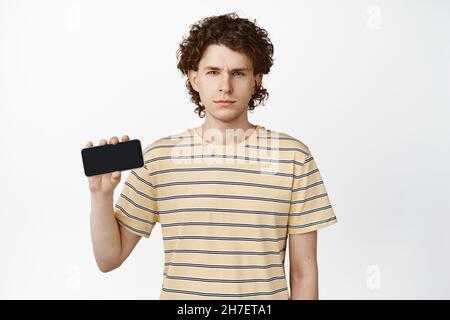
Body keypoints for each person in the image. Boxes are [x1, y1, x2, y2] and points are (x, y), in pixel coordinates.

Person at [86, 12, 337, 300]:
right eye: (213, 72)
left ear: (256, 81)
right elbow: (109, 260)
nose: (225, 86)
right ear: (194, 78)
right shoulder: (159, 158)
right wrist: (100, 197)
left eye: (238, 73)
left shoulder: (293, 157)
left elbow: (304, 274)